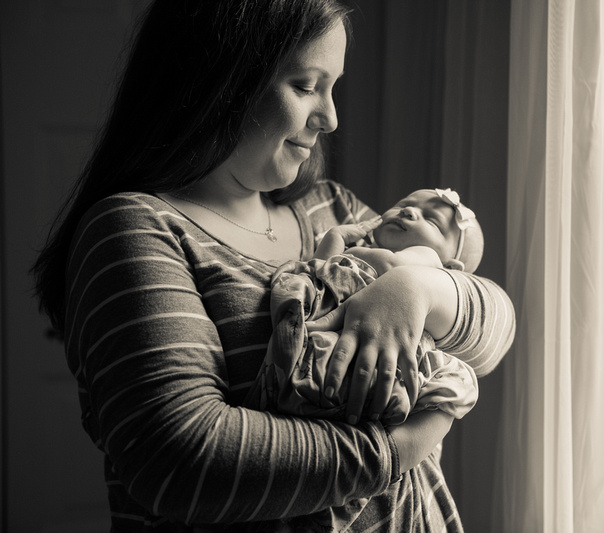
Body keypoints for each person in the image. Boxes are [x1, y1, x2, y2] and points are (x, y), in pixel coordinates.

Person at [31, 1, 515, 531]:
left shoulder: (337, 212)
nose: (331, 117)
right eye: (307, 85)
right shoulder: (134, 228)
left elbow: (495, 334)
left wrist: (417, 287)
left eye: (334, 87)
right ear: (220, 79)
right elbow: (183, 464)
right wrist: (410, 440)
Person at [246, 186, 485, 424]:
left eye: (432, 221)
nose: (409, 211)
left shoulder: (429, 259)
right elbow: (320, 272)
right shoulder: (366, 249)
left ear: (450, 267)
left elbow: (392, 266)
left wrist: (347, 250)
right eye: (403, 204)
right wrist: (334, 241)